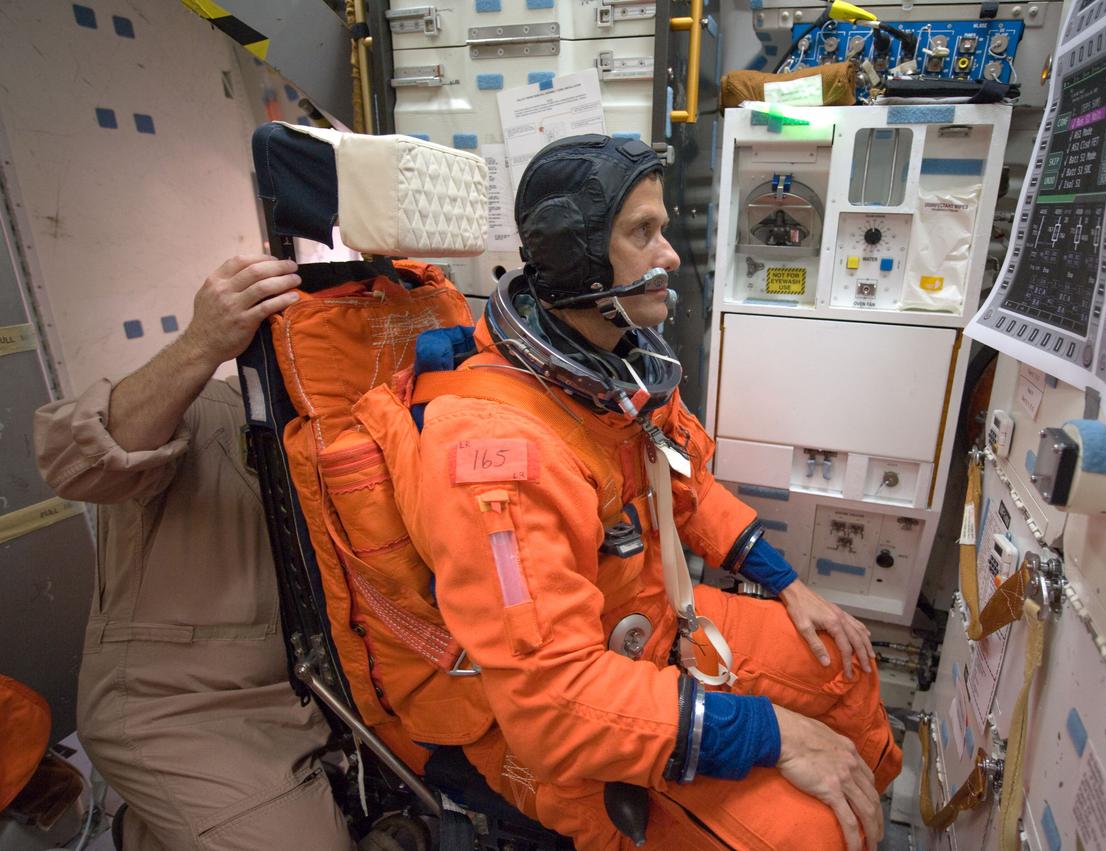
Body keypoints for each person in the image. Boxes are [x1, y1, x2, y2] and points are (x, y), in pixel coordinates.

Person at [403, 135, 903, 849]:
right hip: (576, 722)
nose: (669, 254)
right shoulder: (495, 456)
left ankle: (865, 809)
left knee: (845, 661)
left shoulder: (620, 375)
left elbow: (685, 485)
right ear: (577, 257)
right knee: (810, 835)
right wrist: (769, 732)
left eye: (662, 228)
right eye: (643, 233)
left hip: (659, 629)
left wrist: (786, 583)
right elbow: (552, 705)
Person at [33, 256, 359, 850]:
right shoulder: (201, 415)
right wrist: (201, 344)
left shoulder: (369, 431)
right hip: (183, 706)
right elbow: (72, 462)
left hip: (319, 694)